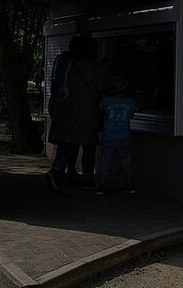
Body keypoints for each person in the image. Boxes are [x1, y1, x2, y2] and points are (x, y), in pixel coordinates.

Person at [45, 35, 102, 191]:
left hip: (65, 111)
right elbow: (99, 88)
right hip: (86, 113)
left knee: (69, 143)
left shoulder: (65, 63)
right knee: (88, 144)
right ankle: (85, 176)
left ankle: (63, 171)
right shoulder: (93, 67)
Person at [98, 76, 137, 194]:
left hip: (109, 136)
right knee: (126, 161)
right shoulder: (131, 102)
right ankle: (130, 185)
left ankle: (101, 185)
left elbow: (100, 111)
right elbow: (131, 114)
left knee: (106, 161)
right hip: (124, 136)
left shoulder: (106, 101)